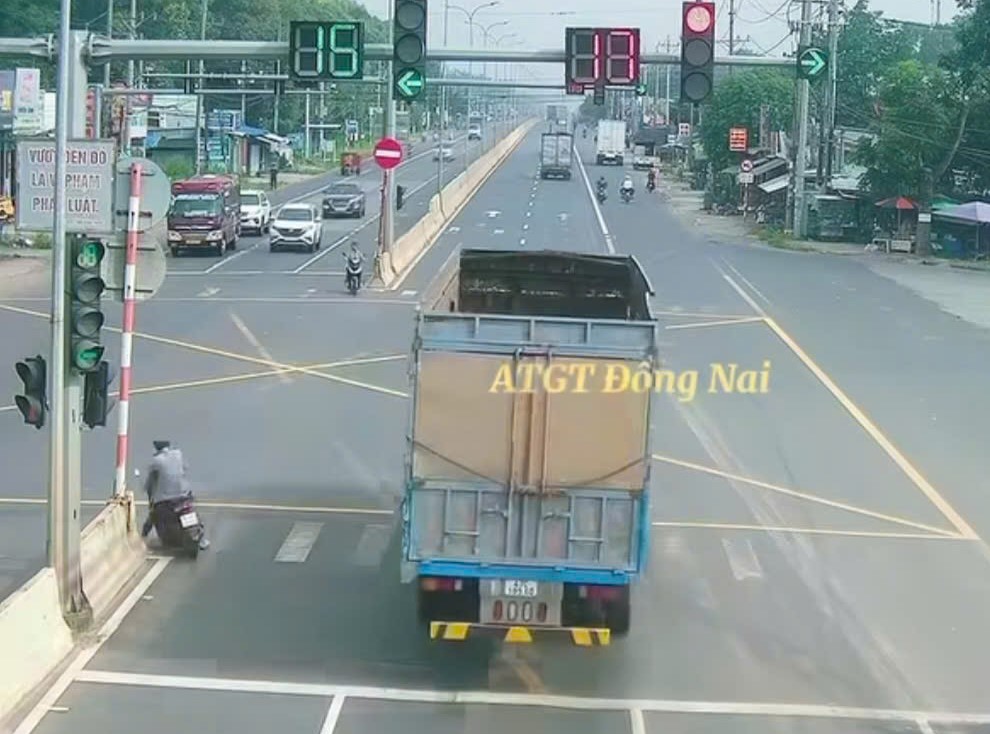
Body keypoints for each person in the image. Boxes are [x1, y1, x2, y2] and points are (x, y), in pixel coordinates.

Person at [141, 440, 210, 550]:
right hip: (184, 496)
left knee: (153, 516)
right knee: (194, 513)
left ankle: (142, 539)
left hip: (165, 502)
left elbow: (150, 484)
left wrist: (150, 498)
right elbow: (185, 468)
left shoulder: (155, 461)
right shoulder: (178, 454)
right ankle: (202, 540)